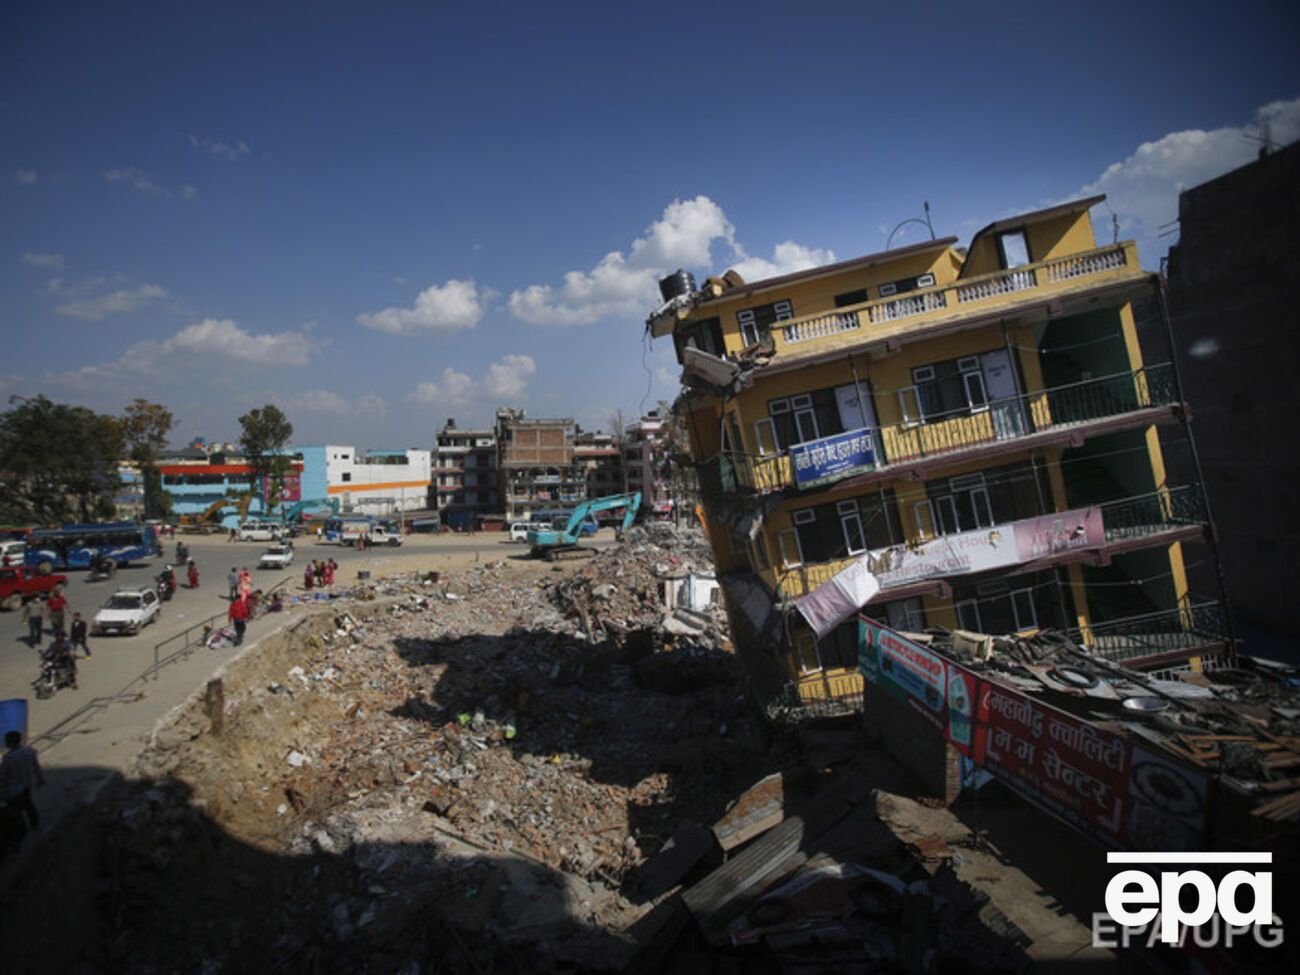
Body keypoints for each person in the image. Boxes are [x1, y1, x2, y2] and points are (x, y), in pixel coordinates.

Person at [1, 731, 45, 833]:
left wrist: (3, 786)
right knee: (29, 804)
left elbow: (4, 775)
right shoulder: (29, 751)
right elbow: (36, 766)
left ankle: (21, 829)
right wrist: (40, 778)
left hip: (15, 788)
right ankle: (35, 824)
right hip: (28, 783)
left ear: (9, 743)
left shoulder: (8, 758)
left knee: (16, 809)